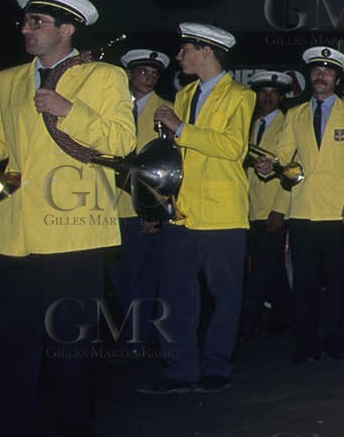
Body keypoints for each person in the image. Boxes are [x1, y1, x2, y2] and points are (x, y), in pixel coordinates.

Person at [0, 0, 134, 437]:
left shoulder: (103, 76)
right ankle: (14, 431)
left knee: (69, 337)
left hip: (74, 228)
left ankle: (76, 424)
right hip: (13, 231)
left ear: (66, 29)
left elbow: (119, 142)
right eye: (26, 22)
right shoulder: (5, 80)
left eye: (37, 22)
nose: (26, 29)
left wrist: (69, 110)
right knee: (12, 340)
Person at [138, 24, 254, 394]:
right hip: (183, 213)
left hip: (222, 214)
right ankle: (180, 371)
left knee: (225, 296)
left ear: (206, 51)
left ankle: (217, 367)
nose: (178, 56)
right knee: (174, 297)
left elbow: (233, 146)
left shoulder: (240, 95)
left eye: (184, 49)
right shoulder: (184, 94)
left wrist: (180, 128)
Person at [256, 46, 344, 364]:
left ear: (337, 79)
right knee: (303, 285)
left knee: (337, 283)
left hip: (338, 212)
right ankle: (305, 343)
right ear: (310, 76)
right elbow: (282, 152)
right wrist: (268, 164)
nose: (321, 75)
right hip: (303, 211)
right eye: (316, 70)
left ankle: (337, 340)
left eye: (328, 71)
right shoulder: (294, 115)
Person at [110, 49, 170, 354]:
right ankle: (136, 334)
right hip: (110, 208)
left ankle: (136, 340)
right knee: (119, 277)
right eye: (142, 72)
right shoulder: (113, 106)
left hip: (144, 210)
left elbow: (170, 168)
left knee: (143, 278)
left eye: (154, 73)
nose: (149, 78)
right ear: (130, 75)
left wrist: (155, 211)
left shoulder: (166, 111)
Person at [239, 71, 293, 340]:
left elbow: (291, 170)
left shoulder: (287, 125)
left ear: (282, 97)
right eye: (263, 93)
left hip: (272, 210)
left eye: (274, 94)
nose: (268, 98)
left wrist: (280, 209)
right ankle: (288, 316)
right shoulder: (249, 124)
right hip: (249, 208)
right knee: (272, 271)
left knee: (260, 270)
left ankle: (244, 323)